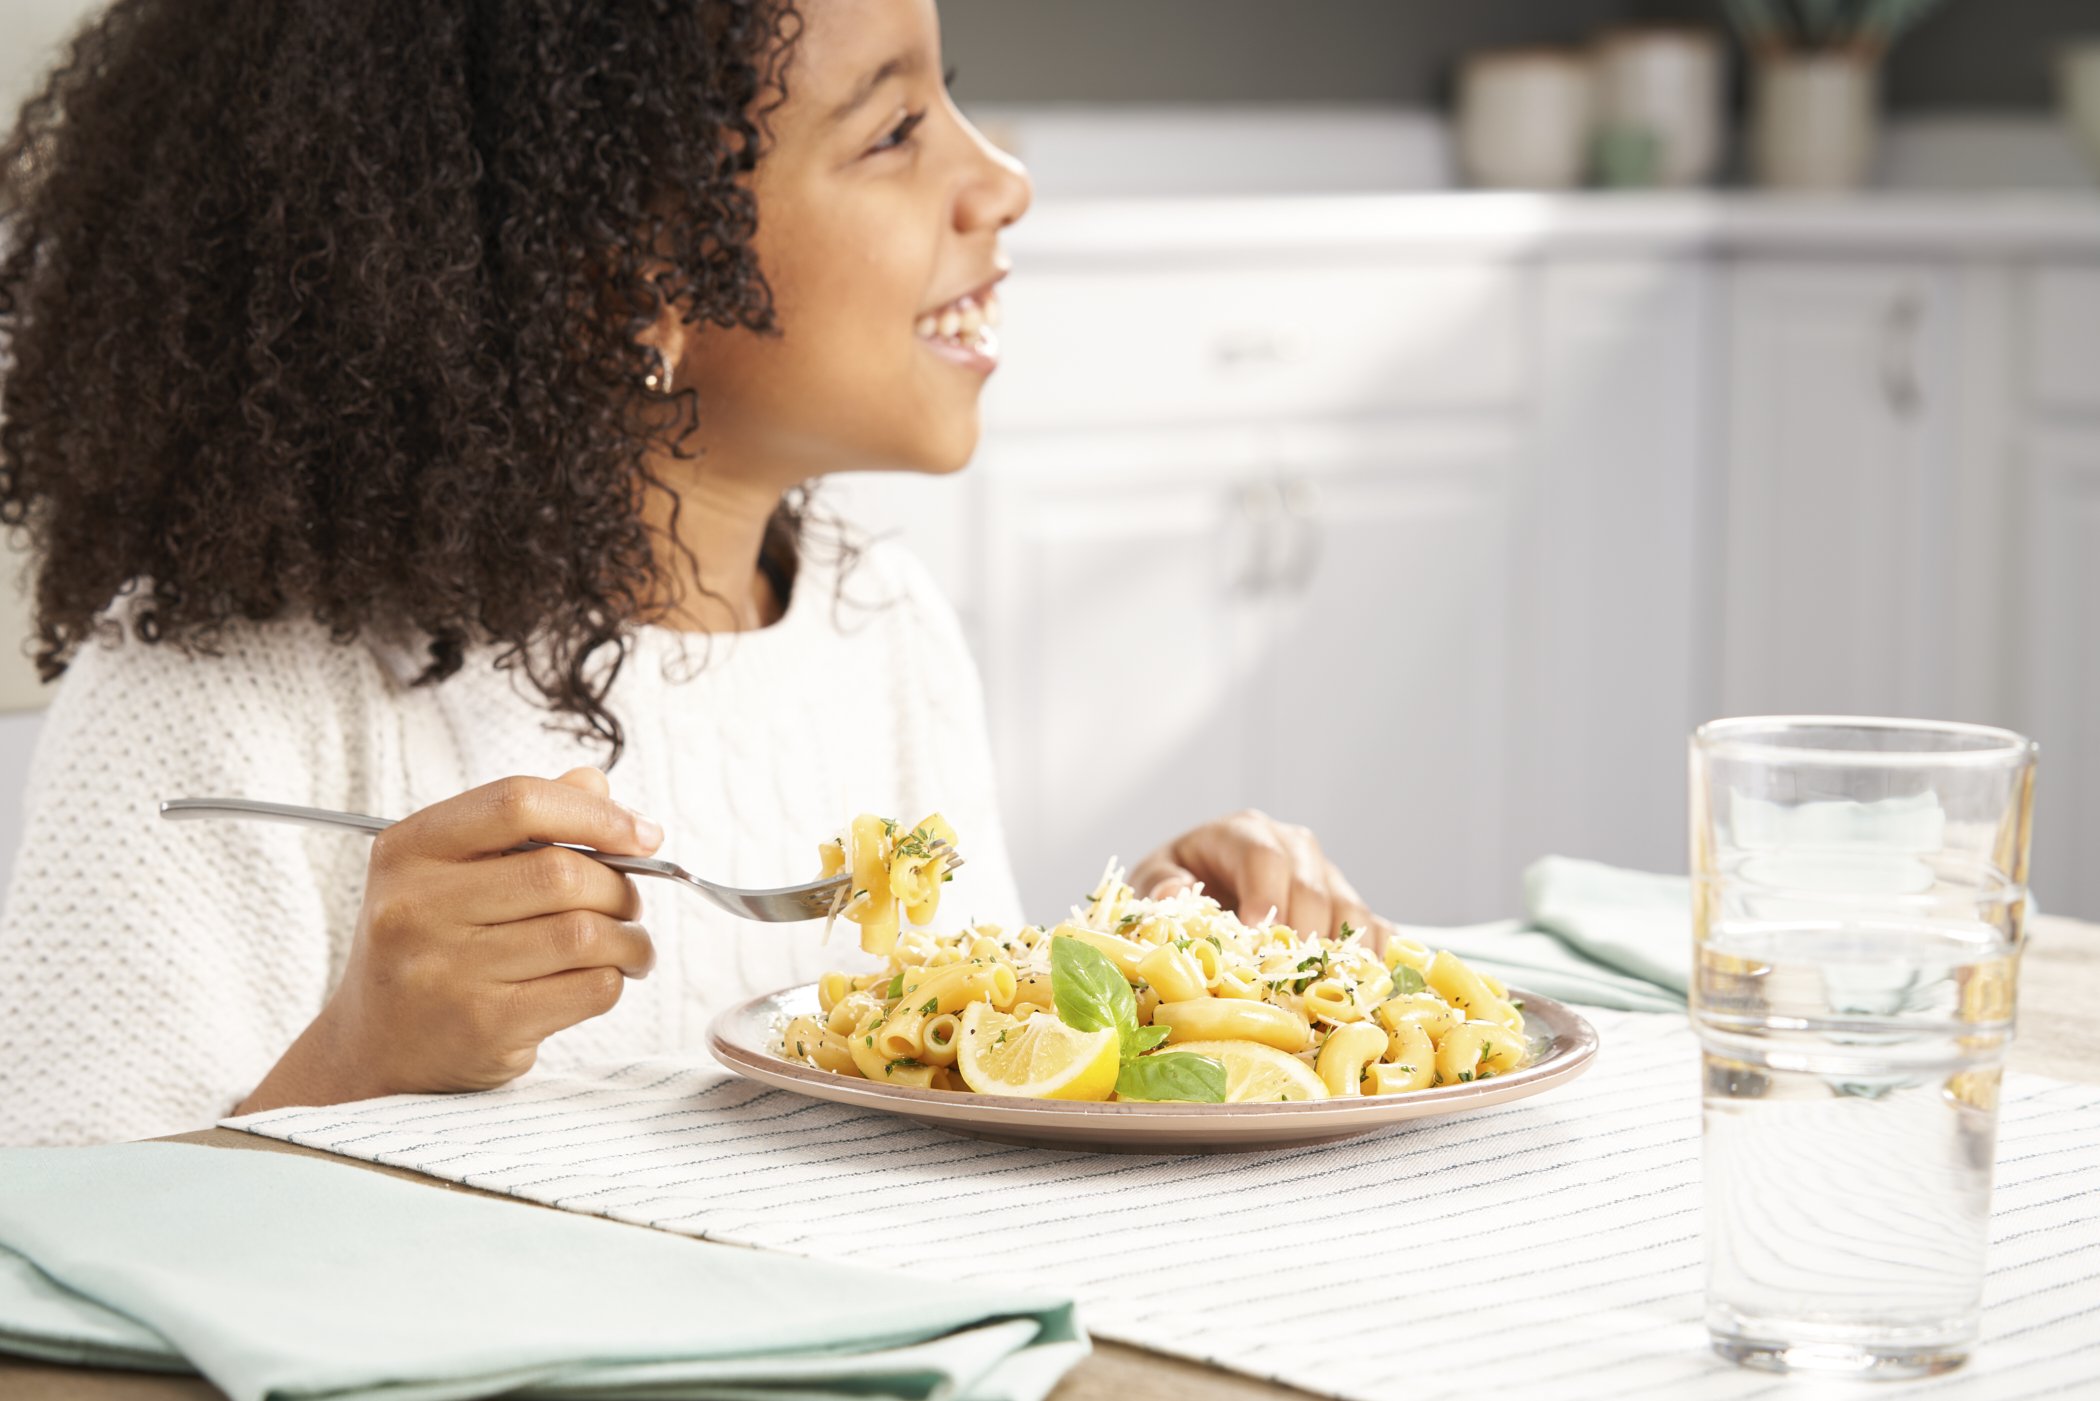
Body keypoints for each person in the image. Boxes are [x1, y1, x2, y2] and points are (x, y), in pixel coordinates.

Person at [0, 0, 1387, 1147]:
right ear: (630, 273)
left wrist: (1147, 980)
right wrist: (362, 1053)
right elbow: (61, 1256)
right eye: (896, 129)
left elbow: (968, 1094)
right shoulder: (213, 687)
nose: (1002, 181)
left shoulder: (878, 624)